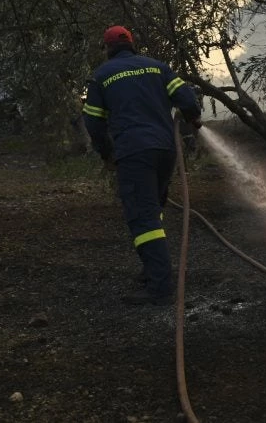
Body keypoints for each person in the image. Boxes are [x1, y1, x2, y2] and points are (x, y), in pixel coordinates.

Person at [82, 25, 202, 305]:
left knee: (143, 217)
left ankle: (160, 287)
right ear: (132, 44)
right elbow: (186, 99)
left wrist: (106, 154)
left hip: (134, 153)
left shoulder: (101, 77)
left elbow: (94, 123)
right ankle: (153, 269)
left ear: (108, 48)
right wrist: (192, 116)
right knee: (153, 212)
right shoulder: (157, 67)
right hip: (165, 151)